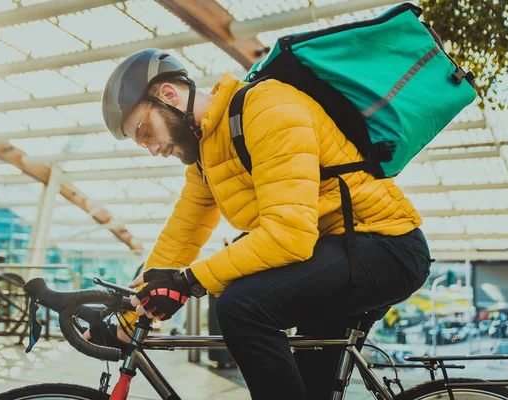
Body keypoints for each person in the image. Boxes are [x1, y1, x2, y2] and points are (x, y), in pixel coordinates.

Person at [95, 48, 431, 400]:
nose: (151, 149)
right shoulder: (206, 154)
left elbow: (289, 235)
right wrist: (127, 321)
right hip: (337, 253)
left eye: (145, 132)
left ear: (168, 95)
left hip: (385, 246)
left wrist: (189, 280)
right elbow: (180, 239)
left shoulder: (268, 107)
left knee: (241, 307)